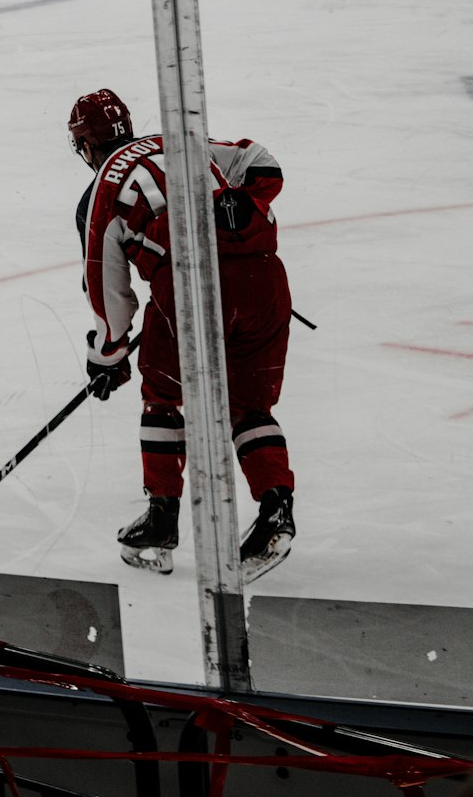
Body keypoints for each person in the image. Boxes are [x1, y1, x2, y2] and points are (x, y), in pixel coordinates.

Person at [68, 89, 295, 580]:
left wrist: (109, 354)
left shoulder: (102, 191)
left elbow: (108, 288)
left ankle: (162, 520)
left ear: (85, 145)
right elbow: (264, 164)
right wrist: (239, 209)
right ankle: (277, 513)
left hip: (189, 288)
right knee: (249, 405)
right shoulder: (180, 141)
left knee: (162, 395)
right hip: (264, 279)